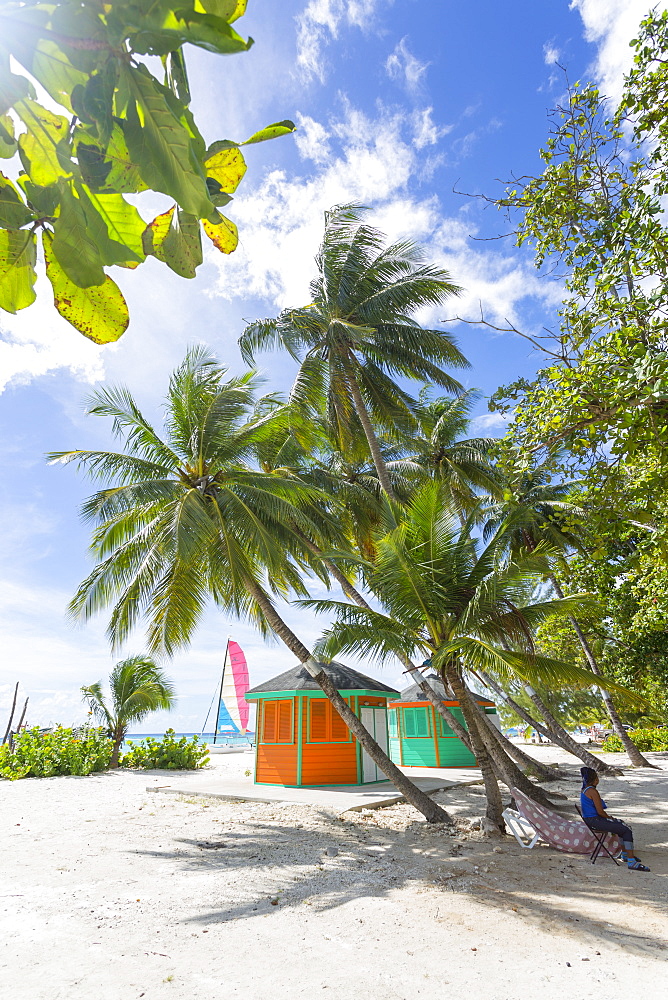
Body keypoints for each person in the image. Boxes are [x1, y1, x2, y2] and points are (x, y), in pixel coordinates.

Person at [579, 766, 650, 872]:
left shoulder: (584, 790)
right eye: (597, 778)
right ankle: (631, 861)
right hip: (596, 821)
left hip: (590, 821)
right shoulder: (593, 791)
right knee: (626, 830)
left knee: (621, 826)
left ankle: (625, 854)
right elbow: (600, 812)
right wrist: (609, 818)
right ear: (595, 780)